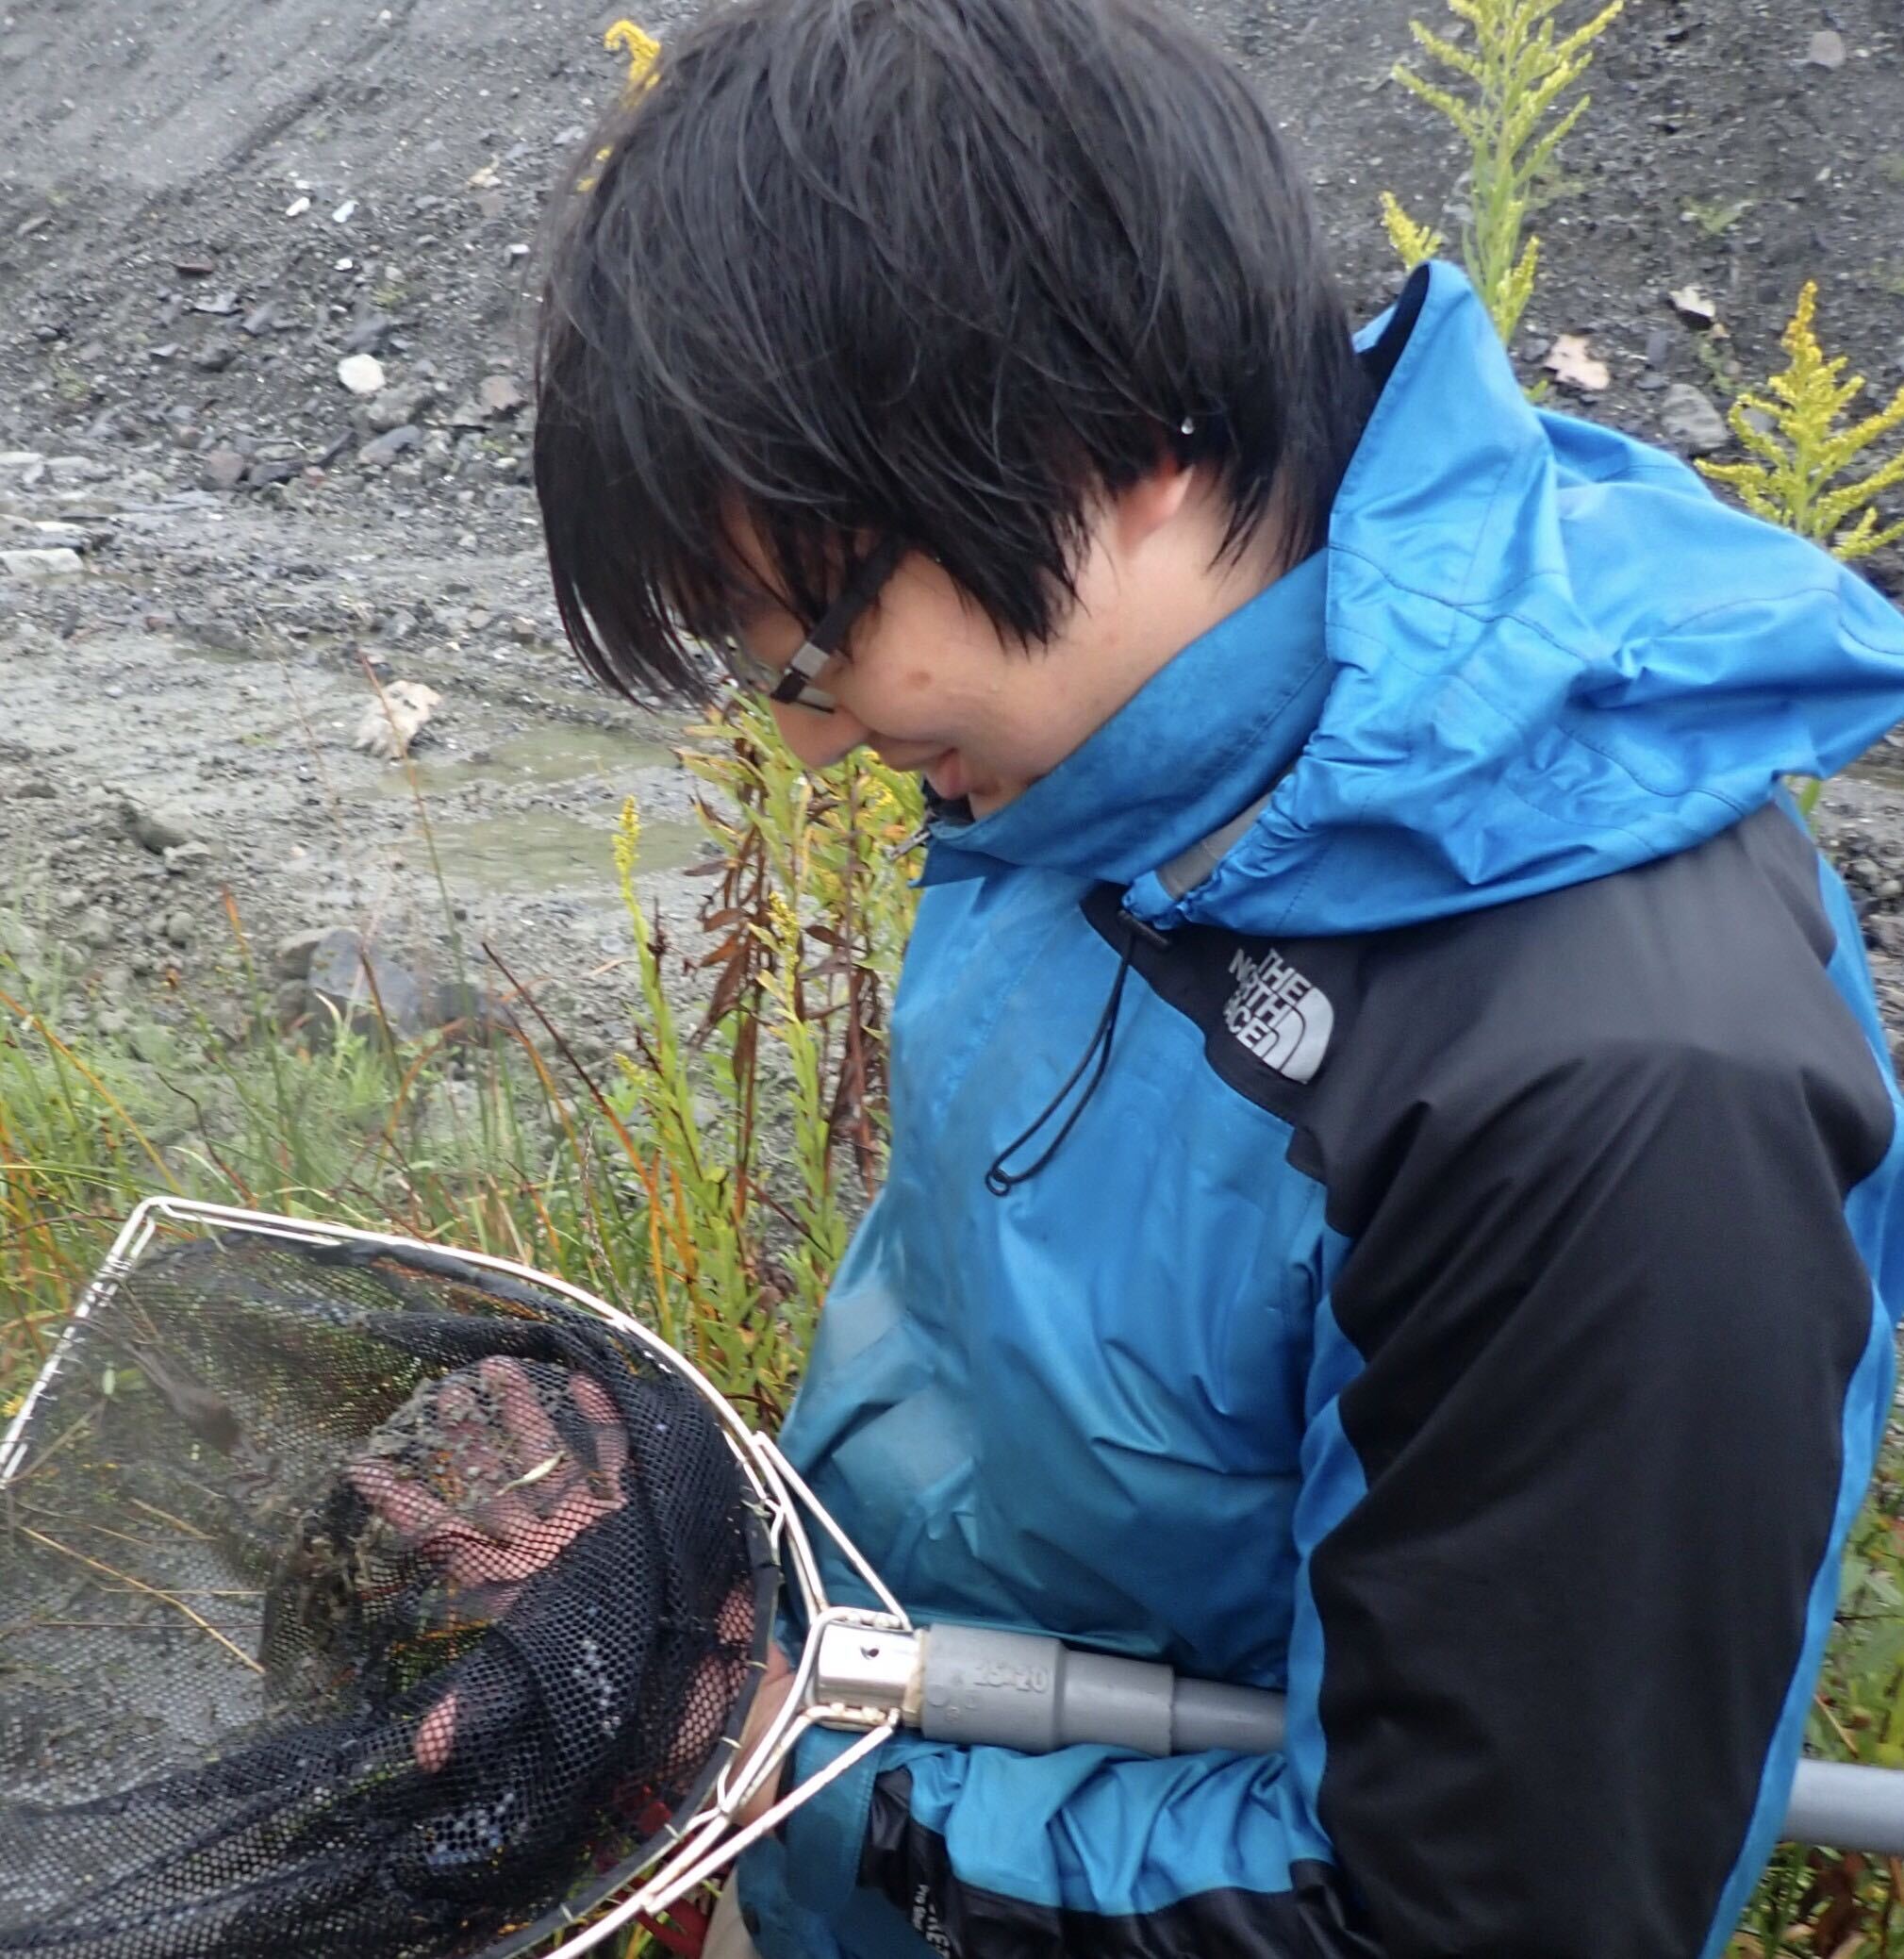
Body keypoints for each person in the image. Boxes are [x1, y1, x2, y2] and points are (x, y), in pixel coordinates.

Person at [531, 0, 1904, 1951]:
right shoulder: (1093, 760)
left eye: (815, 638)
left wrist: (871, 1827)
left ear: (1114, 445)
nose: (813, 738)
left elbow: (1461, 1917)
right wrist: (736, 1658)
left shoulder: (1611, 1089)